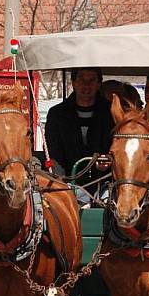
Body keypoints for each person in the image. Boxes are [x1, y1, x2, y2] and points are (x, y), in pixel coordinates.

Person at [45, 68, 114, 202]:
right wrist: (62, 185)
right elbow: (54, 154)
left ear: (99, 83)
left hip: (104, 184)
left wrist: (109, 160)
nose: (86, 85)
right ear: (73, 82)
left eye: (91, 80)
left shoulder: (111, 113)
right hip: (68, 183)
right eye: (81, 80)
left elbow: (118, 147)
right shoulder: (57, 114)